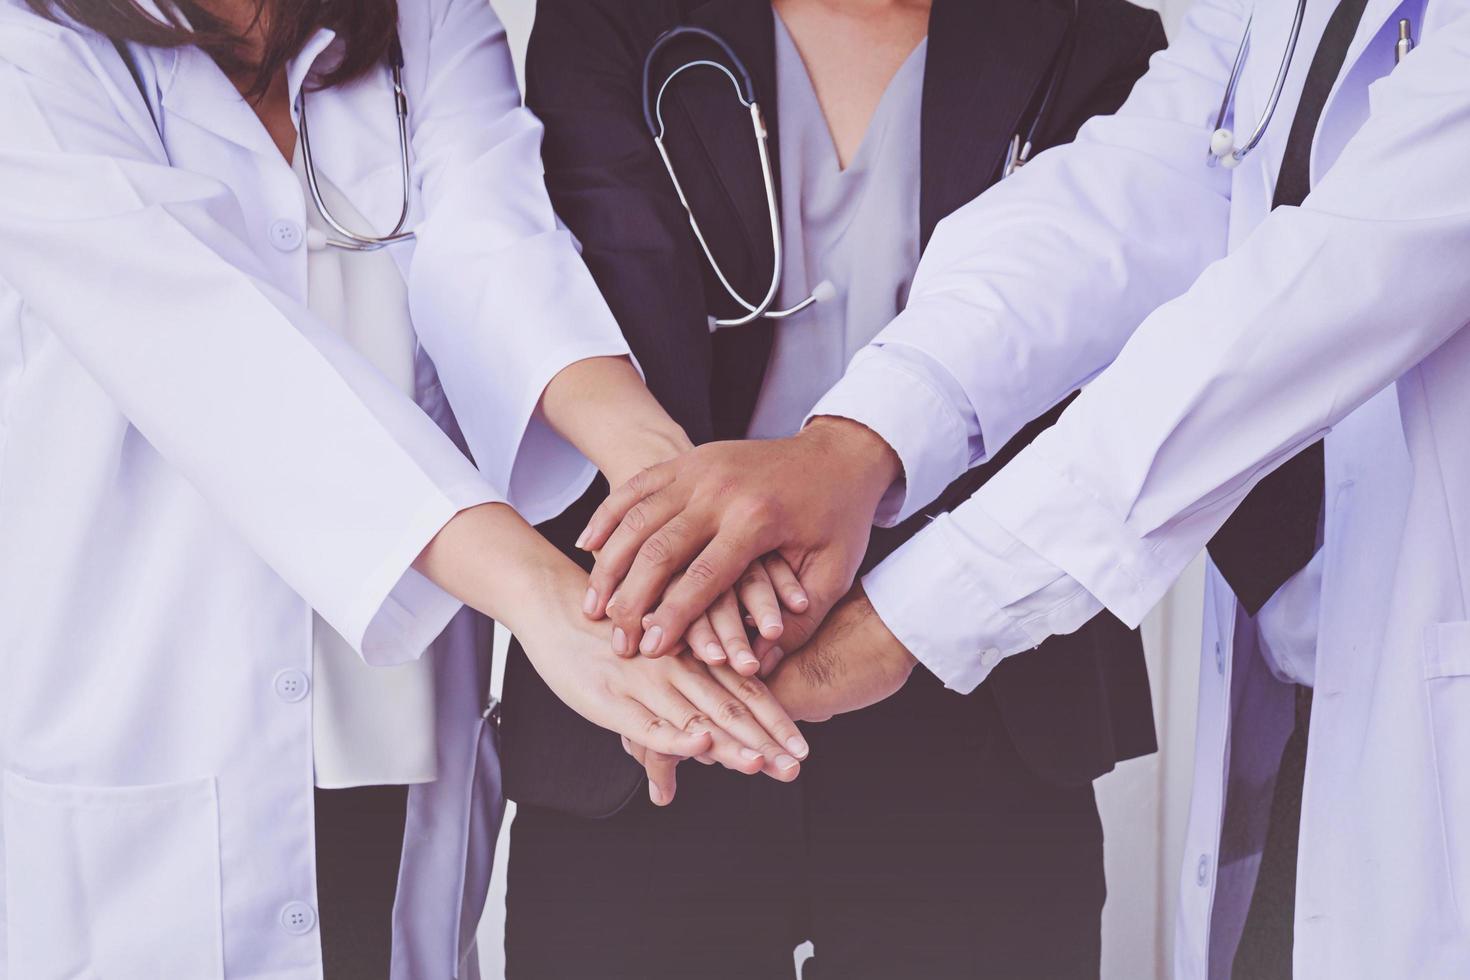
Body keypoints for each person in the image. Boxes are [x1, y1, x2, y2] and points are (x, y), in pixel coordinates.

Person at [581, 0, 1470, 973]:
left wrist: (911, 611)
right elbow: (1140, 187)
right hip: (1318, 669)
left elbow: (1332, 287)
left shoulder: (1078, 31)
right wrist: (853, 441)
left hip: (1385, 678)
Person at [0, 1, 806, 977]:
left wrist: (664, 492)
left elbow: (497, 252)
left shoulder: (423, 14)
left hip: (393, 718)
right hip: (152, 736)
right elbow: (218, 352)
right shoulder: (26, 47)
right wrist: (553, 605)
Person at [506, 1, 1164, 977]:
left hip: (975, 684)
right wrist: (714, 576)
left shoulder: (1088, 36)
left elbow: (1100, 365)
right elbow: (579, 315)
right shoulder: (611, 15)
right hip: (658, 679)